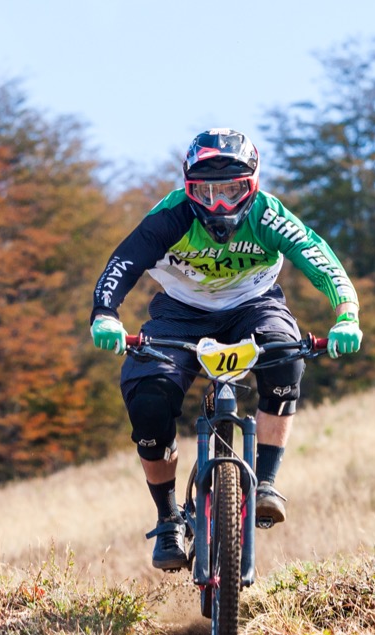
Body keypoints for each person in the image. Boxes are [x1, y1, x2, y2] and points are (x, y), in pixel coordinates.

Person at [89, 129, 361, 571]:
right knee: (148, 396)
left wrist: (346, 315)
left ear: (251, 185)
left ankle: (266, 482)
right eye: (205, 192)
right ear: (188, 189)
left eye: (231, 190)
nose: (218, 204)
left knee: (284, 355)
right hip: (181, 312)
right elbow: (122, 264)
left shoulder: (269, 215)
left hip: (254, 305)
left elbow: (319, 259)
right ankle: (168, 519)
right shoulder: (170, 217)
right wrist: (105, 314)